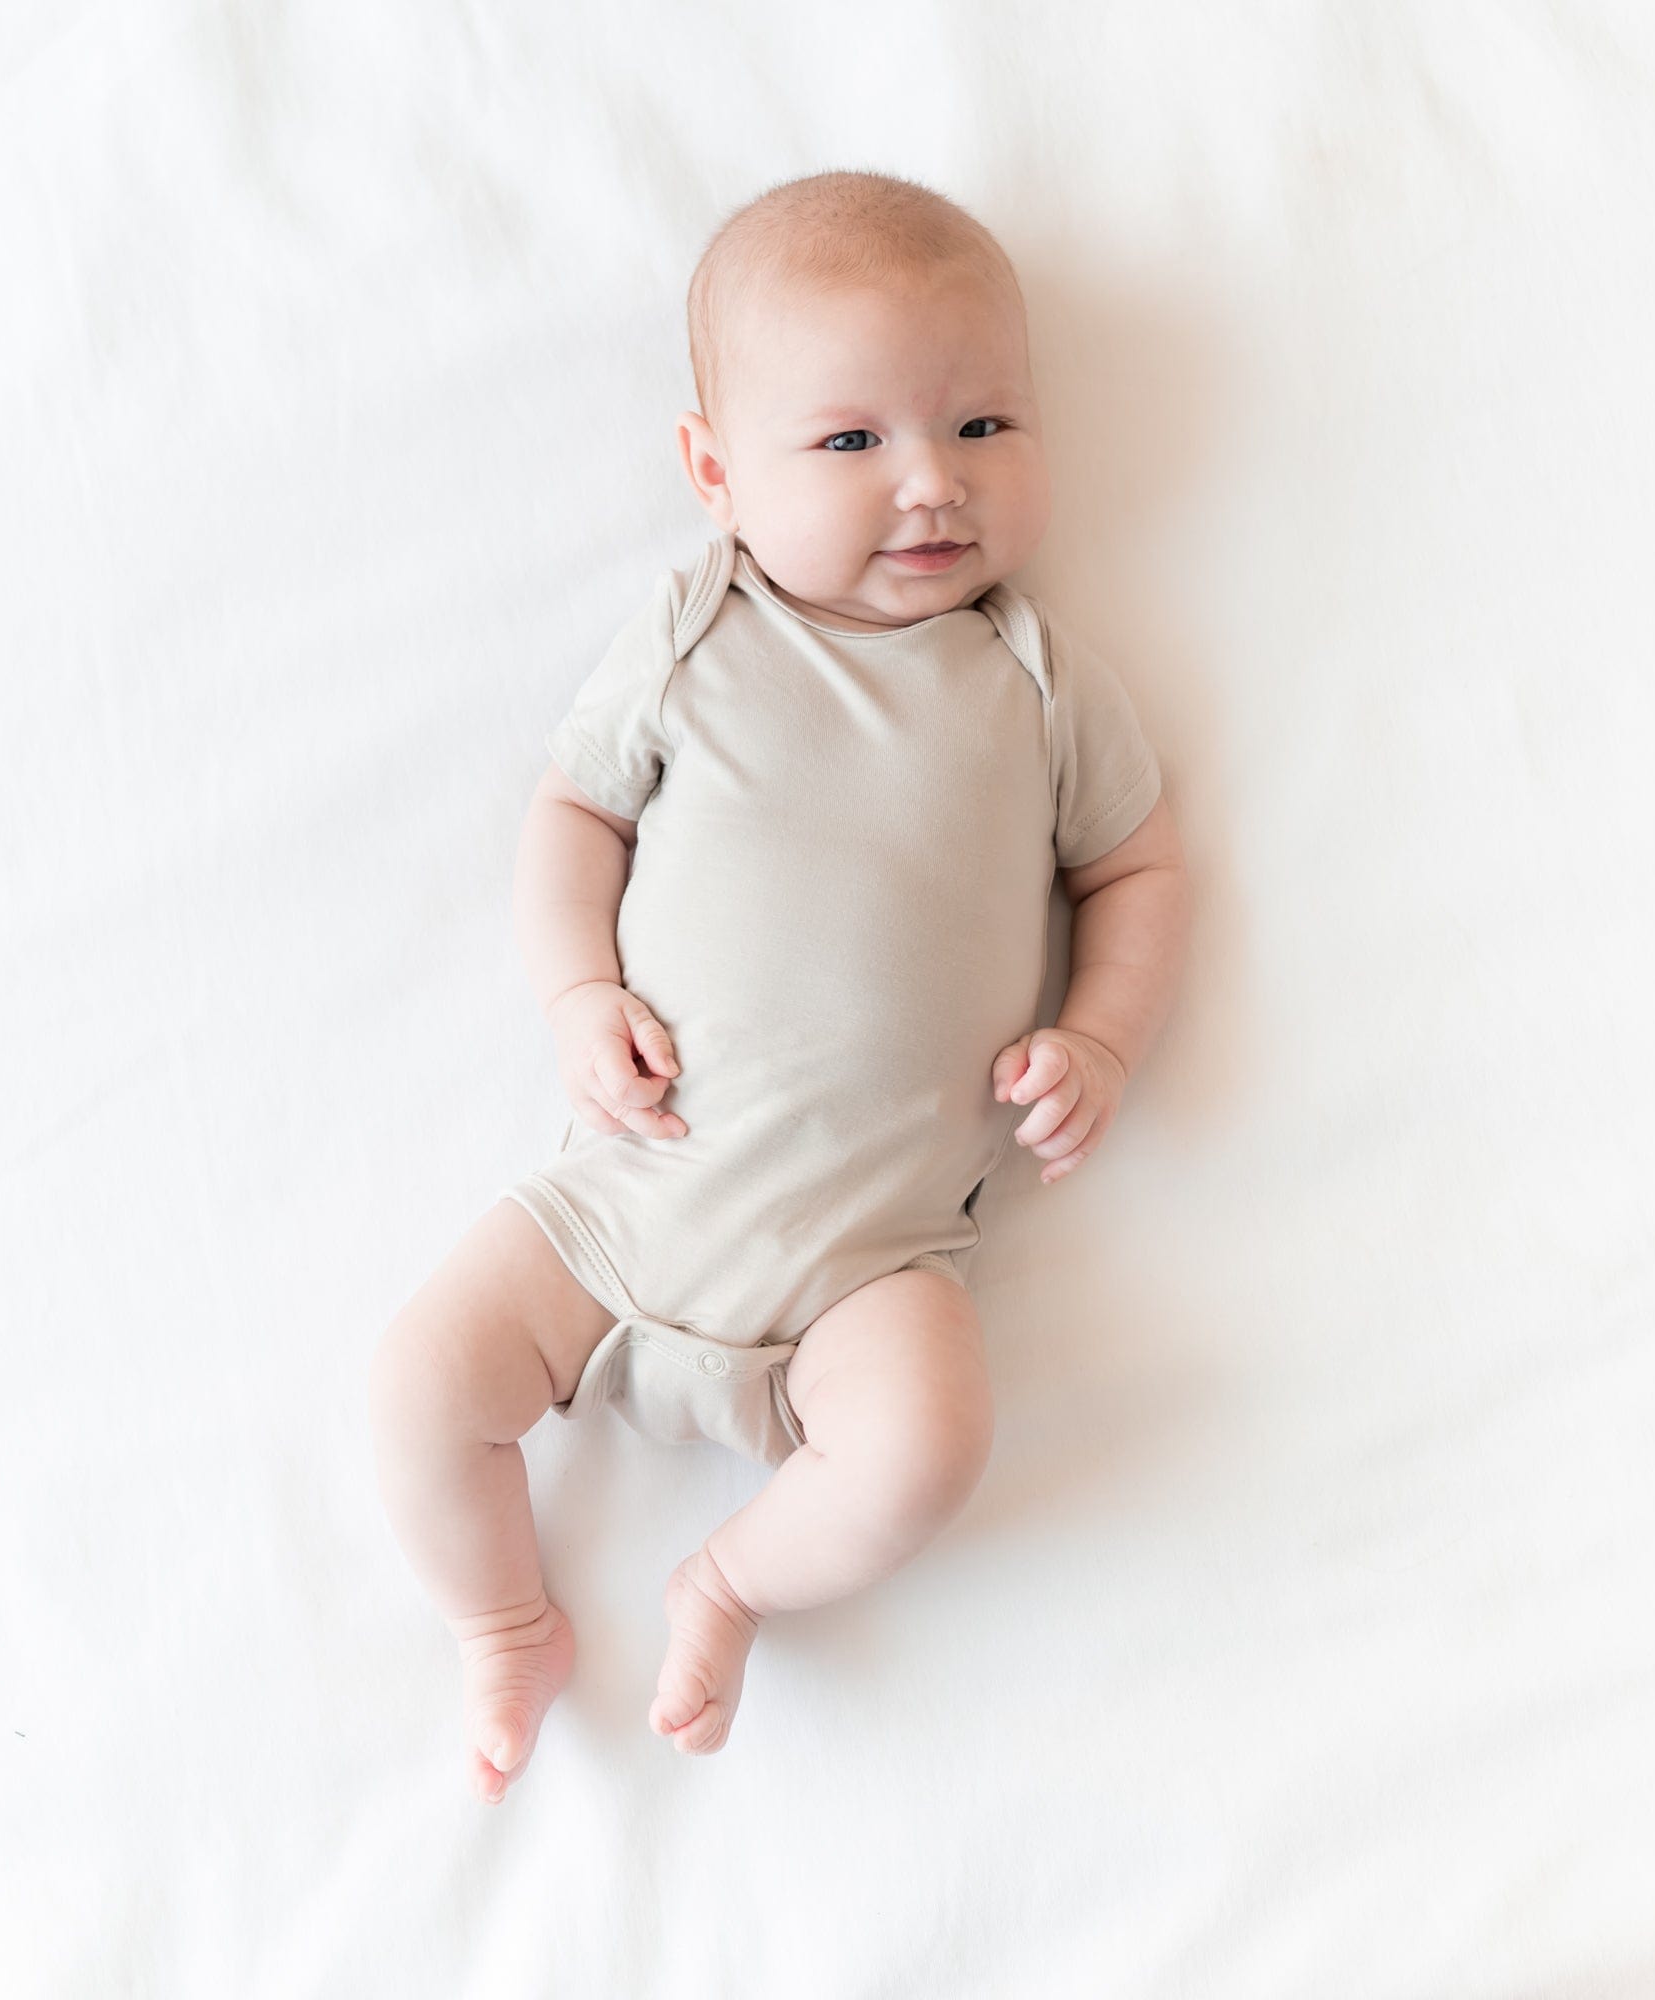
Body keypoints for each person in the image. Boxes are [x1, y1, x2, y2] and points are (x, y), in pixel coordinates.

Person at [368, 169, 1192, 1804]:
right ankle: (504, 1622)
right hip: (626, 1199)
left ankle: (731, 1581)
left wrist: (1100, 1032)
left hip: (869, 1268)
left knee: (928, 1449)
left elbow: (1141, 870)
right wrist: (573, 993)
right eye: (850, 443)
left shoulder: (1035, 681)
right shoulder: (697, 630)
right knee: (417, 1392)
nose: (929, 488)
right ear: (714, 473)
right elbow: (575, 813)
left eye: (983, 427)